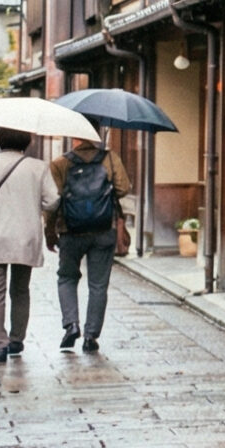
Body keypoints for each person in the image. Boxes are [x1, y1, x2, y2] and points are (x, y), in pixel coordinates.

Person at [0, 127, 58, 363]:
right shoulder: (38, 167)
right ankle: (17, 340)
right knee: (20, 289)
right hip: (24, 236)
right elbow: (52, 201)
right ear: (26, 142)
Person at [47, 136, 132, 352]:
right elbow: (123, 189)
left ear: (74, 136)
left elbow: (52, 200)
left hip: (70, 229)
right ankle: (91, 335)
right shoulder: (110, 158)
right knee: (98, 284)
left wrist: (49, 230)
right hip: (104, 228)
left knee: (66, 277)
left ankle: (71, 324)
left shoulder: (59, 163)